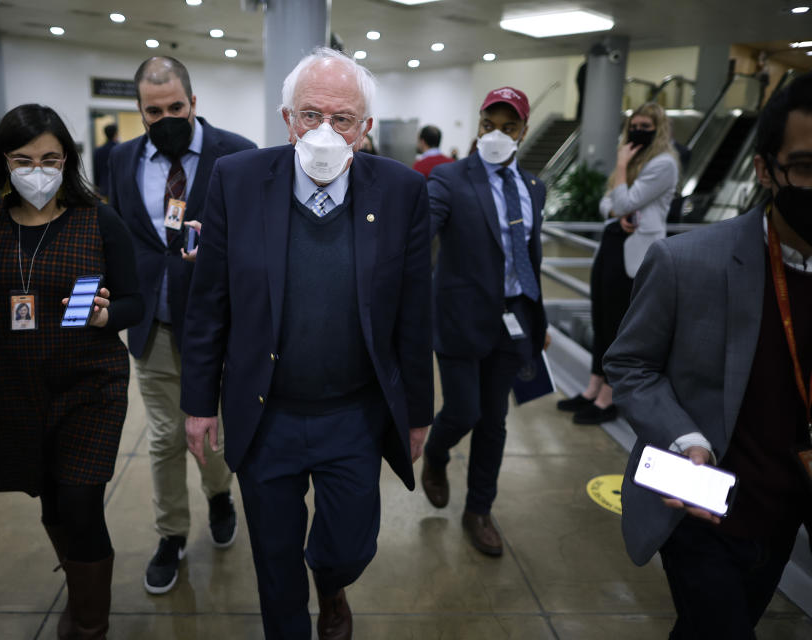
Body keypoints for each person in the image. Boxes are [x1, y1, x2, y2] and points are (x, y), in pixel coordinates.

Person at [180, 47, 433, 639]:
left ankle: (332, 581)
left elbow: (415, 318)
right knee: (273, 559)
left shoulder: (400, 193)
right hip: (268, 415)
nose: (324, 131)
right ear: (287, 117)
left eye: (342, 118)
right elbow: (208, 302)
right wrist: (197, 403)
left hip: (355, 413)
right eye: (310, 114)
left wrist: (417, 414)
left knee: (350, 546)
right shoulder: (238, 181)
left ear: (365, 129)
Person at [604, 71, 812, 638]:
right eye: (806, 167)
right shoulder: (687, 263)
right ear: (764, 169)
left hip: (784, 512)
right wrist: (685, 438)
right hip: (699, 511)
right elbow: (629, 364)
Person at [0, 103, 143, 638]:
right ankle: (79, 580)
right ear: (3, 162)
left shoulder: (98, 219)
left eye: (50, 158)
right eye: (23, 159)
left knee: (82, 500)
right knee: (51, 495)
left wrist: (110, 313)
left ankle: (90, 624)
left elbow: (135, 301)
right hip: (12, 389)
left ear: (67, 159)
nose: (37, 170)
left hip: (90, 385)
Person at [106, 56, 255, 595]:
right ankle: (170, 534)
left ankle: (219, 495)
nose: (166, 117)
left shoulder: (237, 155)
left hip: (219, 330)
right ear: (140, 111)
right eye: (153, 110)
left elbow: (256, 246)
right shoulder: (122, 160)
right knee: (166, 438)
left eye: (176, 107)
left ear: (194, 103)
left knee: (209, 435)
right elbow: (121, 238)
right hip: (154, 326)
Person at [420, 87, 548, 557]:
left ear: (523, 133)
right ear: (478, 125)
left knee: (494, 422)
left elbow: (529, 257)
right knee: (464, 411)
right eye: (489, 125)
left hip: (513, 317)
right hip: (458, 318)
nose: (497, 134)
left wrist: (537, 319)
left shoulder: (534, 187)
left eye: (508, 127)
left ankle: (479, 509)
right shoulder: (451, 179)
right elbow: (422, 230)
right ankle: (436, 454)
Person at [558, 103, 679, 424]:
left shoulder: (663, 163)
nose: (638, 130)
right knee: (600, 317)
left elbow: (622, 200)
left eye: (645, 125)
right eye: (634, 124)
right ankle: (592, 387)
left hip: (636, 252)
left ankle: (608, 398)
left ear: (658, 128)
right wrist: (619, 203)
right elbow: (606, 203)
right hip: (612, 244)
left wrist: (622, 166)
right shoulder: (634, 163)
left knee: (617, 325)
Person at [93, 123, 118, 197]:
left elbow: (96, 171)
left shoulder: (98, 151)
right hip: (118, 186)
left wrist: (96, 187)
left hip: (103, 187)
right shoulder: (120, 149)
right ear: (116, 134)